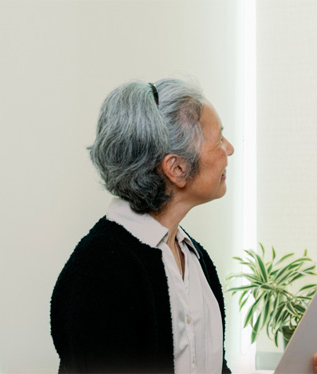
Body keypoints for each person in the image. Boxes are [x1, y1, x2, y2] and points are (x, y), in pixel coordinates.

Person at [50, 78, 234, 373]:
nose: (230, 149)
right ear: (177, 169)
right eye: (219, 140)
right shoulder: (98, 272)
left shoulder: (196, 259)